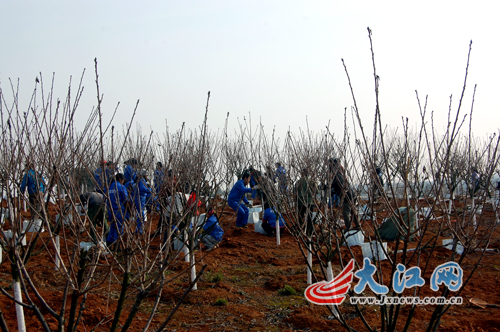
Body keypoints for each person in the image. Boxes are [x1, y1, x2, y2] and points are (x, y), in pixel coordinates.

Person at [327, 158, 360, 231]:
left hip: (347, 196)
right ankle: (358, 226)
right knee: (353, 212)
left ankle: (349, 228)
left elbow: (336, 184)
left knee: (346, 213)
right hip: (351, 195)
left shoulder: (337, 176)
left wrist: (331, 187)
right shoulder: (340, 173)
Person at [106, 173, 129, 247]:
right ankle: (117, 247)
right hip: (119, 211)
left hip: (110, 211)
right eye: (123, 181)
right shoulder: (121, 187)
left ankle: (109, 246)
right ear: (120, 179)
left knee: (112, 228)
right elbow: (126, 200)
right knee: (119, 229)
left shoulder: (109, 188)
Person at [295, 168, 316, 237]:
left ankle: (298, 232)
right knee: (310, 217)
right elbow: (317, 191)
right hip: (309, 202)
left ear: (302, 174)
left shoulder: (298, 182)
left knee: (300, 216)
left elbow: (294, 192)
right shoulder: (312, 181)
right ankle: (309, 233)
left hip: (300, 202)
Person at [131, 170, 152, 234]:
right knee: (141, 215)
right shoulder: (141, 181)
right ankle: (139, 230)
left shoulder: (139, 181)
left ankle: (139, 229)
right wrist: (149, 190)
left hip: (140, 199)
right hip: (140, 199)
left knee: (140, 214)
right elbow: (142, 189)